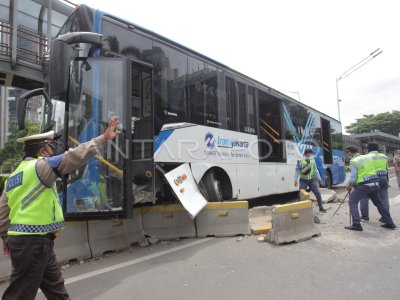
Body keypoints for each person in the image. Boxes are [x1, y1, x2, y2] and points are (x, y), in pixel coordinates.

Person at [0, 116, 120, 300]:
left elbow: (3, 215)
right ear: (42, 150)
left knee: (57, 292)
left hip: (34, 243)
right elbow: (73, 156)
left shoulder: (13, 177)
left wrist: (6, 239)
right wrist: (103, 138)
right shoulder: (42, 166)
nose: (53, 151)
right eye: (50, 147)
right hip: (34, 243)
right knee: (19, 295)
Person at [345, 145, 396, 231]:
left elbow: (353, 177)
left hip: (364, 185)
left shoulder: (353, 161)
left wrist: (349, 186)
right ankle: (390, 222)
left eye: (347, 152)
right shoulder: (367, 158)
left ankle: (356, 224)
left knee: (352, 201)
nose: (347, 154)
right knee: (379, 203)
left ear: (350, 152)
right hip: (376, 183)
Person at [359, 143, 390, 221]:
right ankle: (385, 217)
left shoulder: (366, 157)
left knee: (364, 196)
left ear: (368, 149)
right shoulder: (384, 156)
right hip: (383, 178)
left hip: (371, 179)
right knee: (384, 197)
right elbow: (386, 168)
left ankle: (365, 216)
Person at [294, 148, 327, 212]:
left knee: (317, 193)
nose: (310, 154)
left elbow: (316, 170)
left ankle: (321, 207)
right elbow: (297, 170)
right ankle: (299, 208)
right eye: (310, 153)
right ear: (307, 153)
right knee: (301, 194)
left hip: (312, 180)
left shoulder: (312, 160)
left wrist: (319, 179)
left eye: (311, 153)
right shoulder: (300, 161)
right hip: (303, 180)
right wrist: (295, 180)